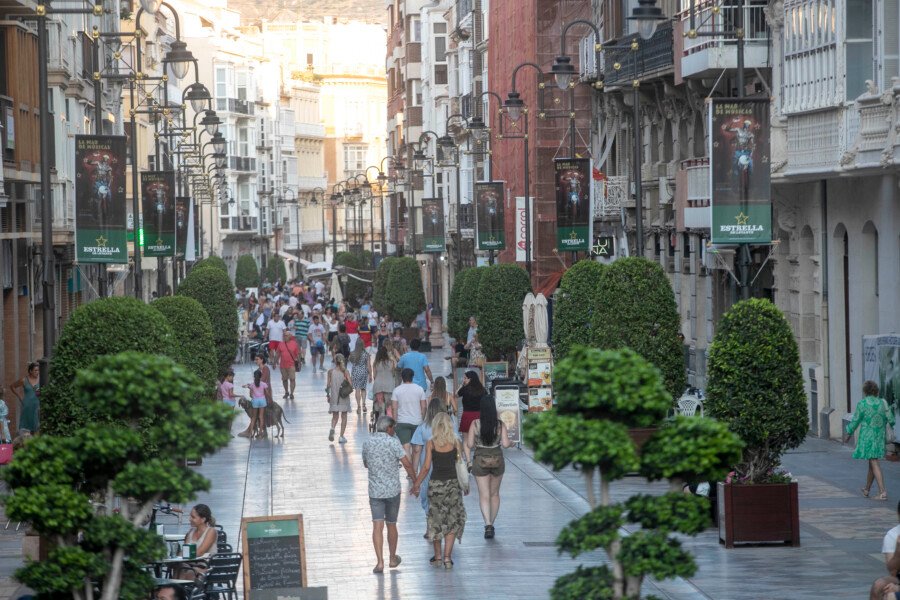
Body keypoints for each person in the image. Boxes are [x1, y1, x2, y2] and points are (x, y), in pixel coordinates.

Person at [362, 415, 416, 574]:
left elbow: (365, 463)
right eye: (394, 428)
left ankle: (380, 562)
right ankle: (392, 558)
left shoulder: (368, 442)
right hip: (392, 491)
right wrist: (415, 482)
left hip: (375, 491)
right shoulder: (393, 442)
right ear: (388, 428)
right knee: (391, 524)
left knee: (377, 526)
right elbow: (406, 463)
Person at [412, 412, 467, 569]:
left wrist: (416, 483)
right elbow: (459, 463)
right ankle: (447, 558)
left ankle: (437, 556)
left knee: (435, 520)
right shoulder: (456, 442)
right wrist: (465, 484)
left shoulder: (431, 443)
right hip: (453, 486)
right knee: (452, 520)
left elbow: (426, 467)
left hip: (435, 485)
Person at [465, 392, 512, 539]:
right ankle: (492, 522)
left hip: (480, 460)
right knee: (495, 494)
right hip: (497, 459)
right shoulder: (500, 424)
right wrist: (511, 443)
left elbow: (470, 444)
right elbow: (505, 444)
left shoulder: (475, 424)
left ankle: (487, 524)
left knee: (484, 495)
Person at [848, 380, 895, 500]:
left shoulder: (862, 404)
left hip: (867, 437)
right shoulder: (882, 402)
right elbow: (892, 420)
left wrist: (848, 432)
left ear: (865, 391)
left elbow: (855, 420)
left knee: (873, 461)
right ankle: (867, 489)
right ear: (876, 390)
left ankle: (882, 492)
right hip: (879, 437)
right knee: (871, 463)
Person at [410, 397, 449, 518]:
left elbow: (416, 451)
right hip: (447, 467)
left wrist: (414, 474)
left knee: (426, 494)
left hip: (428, 469)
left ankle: (430, 520)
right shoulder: (450, 426)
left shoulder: (422, 428)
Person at [392, 368, 427, 471]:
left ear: (402, 377)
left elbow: (394, 408)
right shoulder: (419, 389)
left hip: (402, 422)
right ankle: (415, 469)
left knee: (406, 447)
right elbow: (424, 406)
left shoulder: (397, 390)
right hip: (417, 421)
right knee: (417, 448)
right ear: (413, 377)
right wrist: (422, 418)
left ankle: (410, 471)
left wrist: (395, 421)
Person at [175, 504, 218, 580]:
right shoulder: (191, 532)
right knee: (178, 566)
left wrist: (183, 556)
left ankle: (177, 589)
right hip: (190, 565)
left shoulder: (211, 531)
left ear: (203, 519)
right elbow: (184, 551)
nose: (189, 519)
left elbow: (200, 552)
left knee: (183, 569)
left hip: (204, 567)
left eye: (193, 517)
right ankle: (176, 589)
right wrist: (174, 558)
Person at [326, 354, 352, 443]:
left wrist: (328, 395)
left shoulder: (330, 372)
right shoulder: (346, 372)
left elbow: (328, 386)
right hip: (343, 396)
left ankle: (332, 428)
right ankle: (341, 436)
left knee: (335, 417)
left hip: (334, 396)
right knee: (344, 416)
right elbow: (351, 385)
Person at [10, 362, 40, 434]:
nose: (37, 372)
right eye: (35, 370)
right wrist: (20, 396)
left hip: (37, 406)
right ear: (30, 371)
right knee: (26, 429)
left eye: (38, 370)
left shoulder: (41, 380)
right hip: (27, 406)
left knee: (37, 428)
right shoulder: (24, 380)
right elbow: (12, 386)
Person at [240, 369, 268, 439]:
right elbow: (267, 393)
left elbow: (250, 395)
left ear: (254, 377)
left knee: (253, 418)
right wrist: (269, 398)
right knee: (261, 417)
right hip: (262, 401)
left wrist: (247, 386)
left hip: (255, 401)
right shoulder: (264, 384)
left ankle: (250, 433)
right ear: (260, 376)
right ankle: (261, 433)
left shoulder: (252, 385)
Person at [457, 370, 485, 435]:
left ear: (470, 379)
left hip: (467, 415)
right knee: (478, 439)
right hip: (479, 416)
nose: (464, 380)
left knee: (466, 440)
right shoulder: (482, 389)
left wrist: (462, 385)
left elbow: (456, 394)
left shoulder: (465, 389)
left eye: (465, 378)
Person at [349, 342, 370, 415]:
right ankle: (364, 404)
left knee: (357, 389)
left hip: (355, 372)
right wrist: (370, 375)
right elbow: (368, 365)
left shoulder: (352, 353)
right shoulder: (366, 354)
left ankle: (358, 406)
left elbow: (351, 361)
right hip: (364, 372)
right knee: (363, 389)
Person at [279, 331, 300, 400]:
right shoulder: (281, 344)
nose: (285, 337)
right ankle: (286, 392)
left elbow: (298, 354)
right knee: (284, 379)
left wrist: (299, 363)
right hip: (283, 365)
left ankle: (291, 393)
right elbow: (277, 354)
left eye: (287, 335)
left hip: (292, 364)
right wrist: (274, 362)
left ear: (290, 336)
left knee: (292, 379)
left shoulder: (294, 344)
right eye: (284, 335)